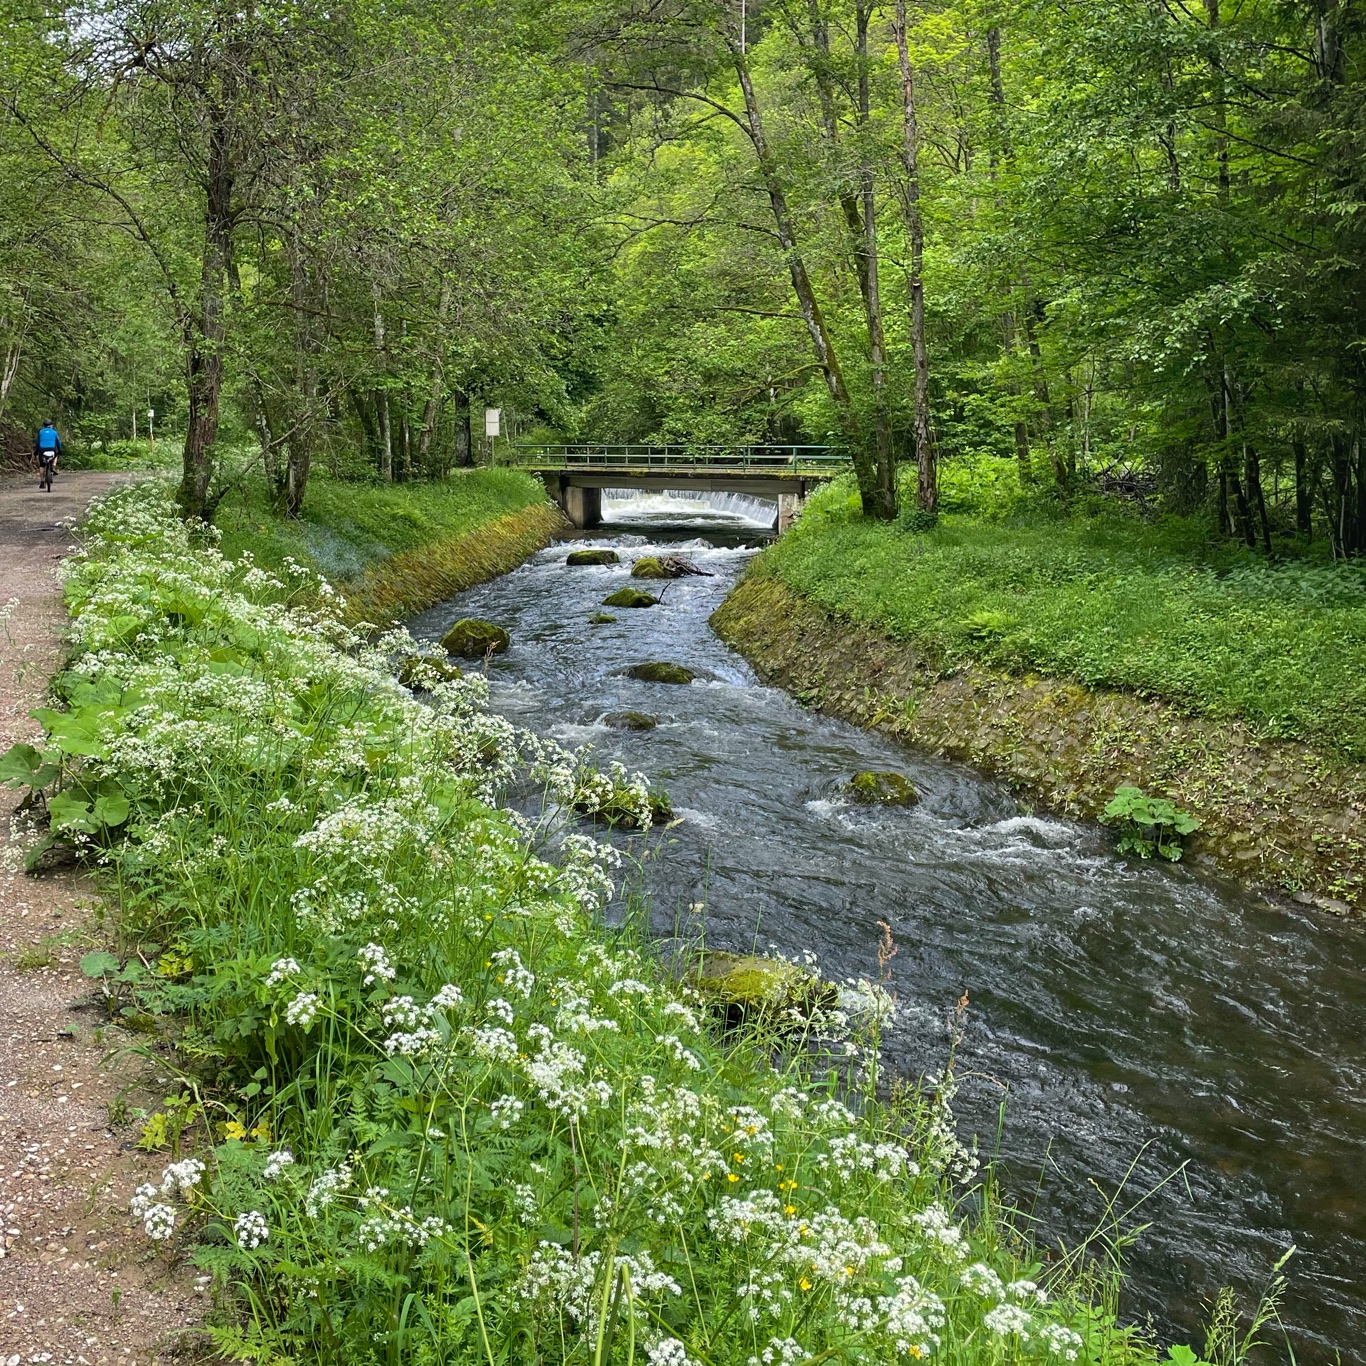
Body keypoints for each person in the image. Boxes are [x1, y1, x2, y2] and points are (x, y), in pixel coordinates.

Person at [34, 421, 62, 486]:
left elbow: (37, 443)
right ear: (51, 425)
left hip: (42, 449)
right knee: (56, 455)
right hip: (52, 449)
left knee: (42, 465)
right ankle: (53, 466)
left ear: (44, 426)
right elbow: (58, 442)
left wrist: (36, 451)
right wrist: (60, 450)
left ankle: (42, 481)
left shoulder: (41, 432)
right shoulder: (54, 432)